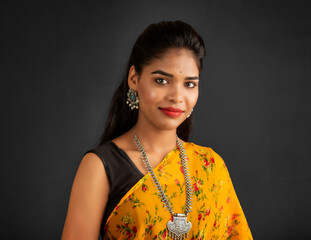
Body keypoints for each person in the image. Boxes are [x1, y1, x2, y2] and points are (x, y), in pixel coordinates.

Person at [62, 20, 253, 240]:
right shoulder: (101, 166)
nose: (177, 97)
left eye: (189, 84)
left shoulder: (210, 165)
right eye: (161, 80)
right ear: (134, 78)